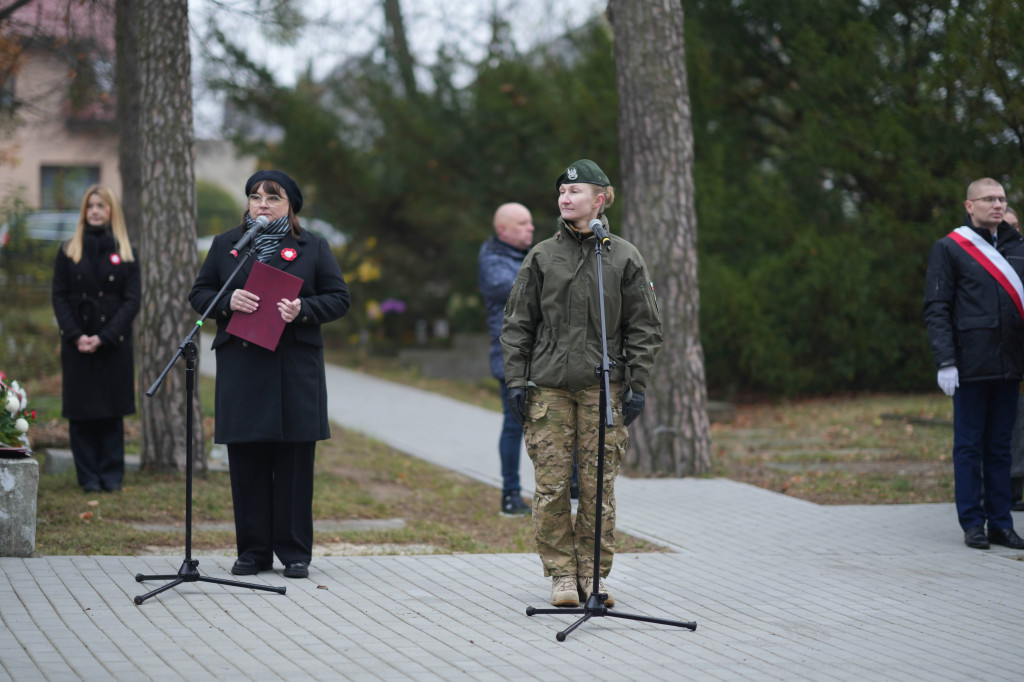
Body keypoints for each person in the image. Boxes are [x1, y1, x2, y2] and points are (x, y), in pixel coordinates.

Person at [501, 159, 662, 607]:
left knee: (597, 487)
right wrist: (517, 381)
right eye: (561, 193)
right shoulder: (542, 256)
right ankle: (561, 577)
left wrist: (637, 383)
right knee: (552, 486)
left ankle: (593, 577)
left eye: (575, 193)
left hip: (602, 388)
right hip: (549, 388)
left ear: (601, 199)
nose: (565, 199)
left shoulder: (623, 255)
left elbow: (645, 327)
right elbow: (516, 324)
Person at [189, 170, 351, 579]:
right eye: (254, 196)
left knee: (294, 464)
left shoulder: (311, 246)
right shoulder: (228, 245)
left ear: (290, 205)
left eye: (272, 197)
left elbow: (339, 298)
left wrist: (304, 310)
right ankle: (253, 552)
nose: (261, 204)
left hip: (293, 369)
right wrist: (228, 301)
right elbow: (200, 293)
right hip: (243, 368)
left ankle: (295, 553)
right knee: (247, 463)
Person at [923, 177, 1024, 549]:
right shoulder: (949, 249)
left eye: (1001, 199)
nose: (997, 205)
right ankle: (973, 523)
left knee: (1001, 448)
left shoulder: (1018, 248)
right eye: (988, 199)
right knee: (969, 447)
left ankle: (1001, 522)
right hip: (968, 364)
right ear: (969, 205)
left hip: (1009, 365)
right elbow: (937, 308)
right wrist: (946, 360)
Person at [51, 185, 140, 494]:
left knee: (111, 411)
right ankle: (88, 476)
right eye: (90, 206)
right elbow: (59, 296)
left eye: (101, 205)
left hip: (113, 344)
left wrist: (104, 336)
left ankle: (111, 475)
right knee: (81, 412)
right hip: (77, 343)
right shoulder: (68, 250)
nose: (95, 211)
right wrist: (76, 335)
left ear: (111, 210)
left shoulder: (126, 252)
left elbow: (132, 300)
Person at [478, 202, 535, 516]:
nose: (531, 228)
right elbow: (520, 291)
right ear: (503, 229)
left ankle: (572, 486)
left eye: (530, 223)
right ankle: (510, 495)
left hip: (540, 355)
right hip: (510, 357)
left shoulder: (526, 256)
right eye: (523, 223)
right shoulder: (492, 260)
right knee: (515, 426)